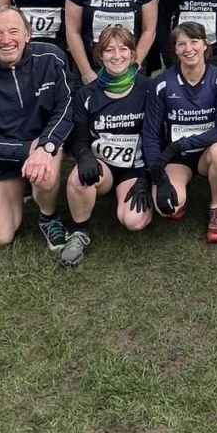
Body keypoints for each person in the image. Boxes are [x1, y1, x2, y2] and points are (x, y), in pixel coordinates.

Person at [0, 5, 75, 249]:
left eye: (13, 31)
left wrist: (46, 145)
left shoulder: (52, 58)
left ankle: (48, 217)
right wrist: (22, 150)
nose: (6, 40)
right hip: (3, 156)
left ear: (27, 35)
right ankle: (2, 184)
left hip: (44, 145)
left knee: (45, 172)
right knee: (0, 237)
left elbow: (67, 105)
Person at [61, 24, 157, 266]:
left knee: (133, 221)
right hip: (101, 166)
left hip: (135, 168)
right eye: (109, 50)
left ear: (133, 54)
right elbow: (79, 137)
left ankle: (134, 197)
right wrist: (83, 155)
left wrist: (147, 177)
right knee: (77, 178)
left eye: (123, 49)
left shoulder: (149, 88)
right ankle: (79, 232)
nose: (117, 56)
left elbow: (157, 136)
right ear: (100, 56)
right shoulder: (87, 93)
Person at [144, 22, 217, 243]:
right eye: (181, 44)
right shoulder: (162, 83)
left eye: (194, 42)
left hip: (208, 154)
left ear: (205, 44)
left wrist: (181, 143)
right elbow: (150, 134)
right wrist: (159, 174)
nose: (189, 49)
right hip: (177, 159)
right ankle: (180, 195)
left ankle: (216, 206)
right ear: (175, 50)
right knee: (166, 207)